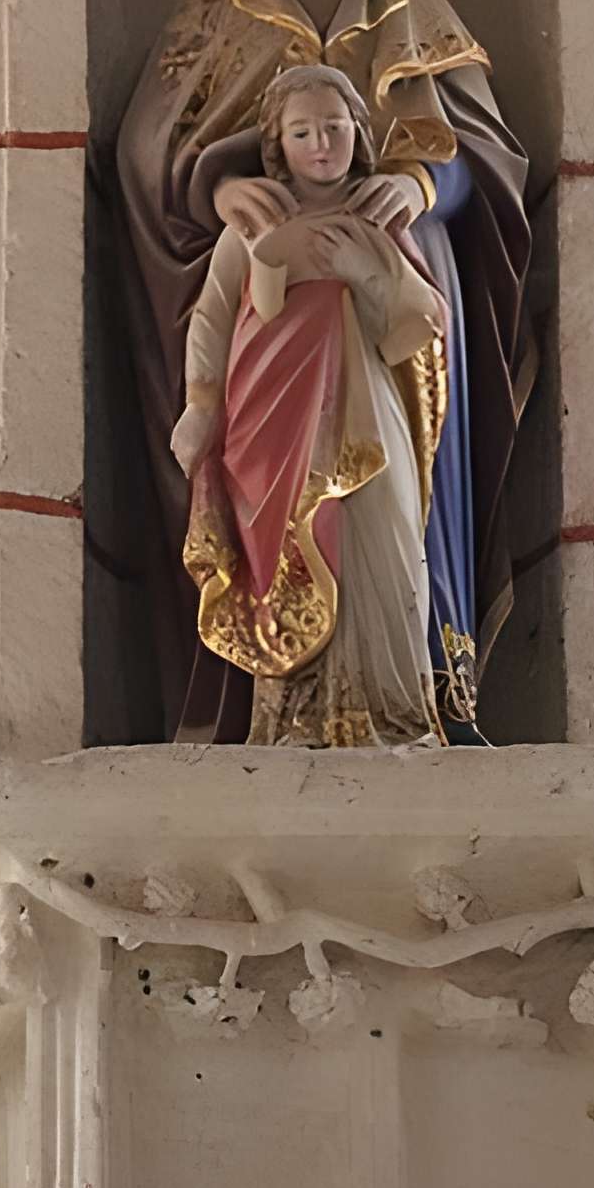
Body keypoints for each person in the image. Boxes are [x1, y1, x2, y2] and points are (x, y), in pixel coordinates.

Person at [116, 0, 531, 743]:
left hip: (390, 335)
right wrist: (221, 193)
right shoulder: (210, 17)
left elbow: (491, 161)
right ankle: (260, 700)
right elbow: (146, 157)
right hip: (266, 357)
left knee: (386, 506)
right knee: (270, 497)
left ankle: (417, 684)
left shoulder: (417, 13)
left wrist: (423, 191)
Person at [172, 67, 447, 748]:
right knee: (285, 551)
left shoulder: (376, 216)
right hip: (272, 415)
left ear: (359, 131)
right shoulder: (257, 220)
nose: (321, 145)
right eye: (302, 132)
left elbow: (425, 320)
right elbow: (211, 315)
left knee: (375, 534)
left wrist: (365, 273)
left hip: (366, 410)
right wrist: (201, 405)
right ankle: (294, 718)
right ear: (276, 145)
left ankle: (389, 710)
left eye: (334, 127)